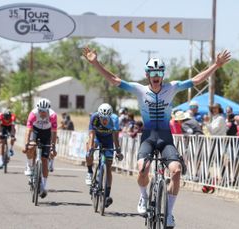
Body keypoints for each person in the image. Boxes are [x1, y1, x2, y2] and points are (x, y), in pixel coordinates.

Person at [83, 46, 230, 227]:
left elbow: (196, 80)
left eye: (159, 71)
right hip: (148, 137)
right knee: (142, 168)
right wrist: (96, 63)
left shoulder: (172, 87)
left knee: (176, 171)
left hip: (166, 137)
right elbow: (114, 80)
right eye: (152, 72)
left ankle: (168, 213)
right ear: (147, 75)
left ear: (163, 74)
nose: (156, 75)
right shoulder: (139, 90)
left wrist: (215, 65)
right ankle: (144, 197)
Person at [85, 103, 124, 208]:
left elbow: (115, 137)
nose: (105, 120)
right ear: (99, 115)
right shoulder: (95, 117)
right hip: (97, 137)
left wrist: (118, 151)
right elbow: (92, 134)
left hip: (108, 140)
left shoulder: (115, 119)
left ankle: (107, 195)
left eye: (107, 118)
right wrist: (91, 148)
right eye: (103, 118)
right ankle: (89, 171)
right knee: (89, 148)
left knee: (108, 167)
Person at [22, 98, 57, 198]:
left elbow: (54, 133)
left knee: (45, 160)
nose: (42, 113)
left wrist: (53, 147)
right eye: (40, 111)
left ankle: (43, 186)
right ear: (38, 109)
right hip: (35, 131)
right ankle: (29, 166)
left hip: (47, 133)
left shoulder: (53, 115)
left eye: (44, 111)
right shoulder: (33, 114)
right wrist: (26, 145)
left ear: (48, 110)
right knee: (31, 146)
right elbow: (28, 131)